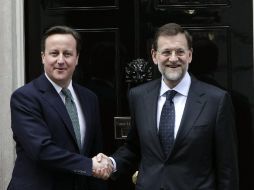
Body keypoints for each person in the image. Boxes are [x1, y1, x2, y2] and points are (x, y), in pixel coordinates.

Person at [95, 23, 239, 190]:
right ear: (154, 56)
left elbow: (227, 167)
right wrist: (111, 162)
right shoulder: (139, 96)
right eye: (166, 52)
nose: (173, 58)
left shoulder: (217, 100)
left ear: (190, 55)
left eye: (180, 52)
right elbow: (134, 147)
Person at [8, 25, 112, 190]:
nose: (61, 60)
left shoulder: (89, 98)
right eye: (54, 53)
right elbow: (41, 150)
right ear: (43, 57)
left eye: (68, 54)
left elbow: (94, 149)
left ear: (77, 58)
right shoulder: (25, 97)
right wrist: (89, 165)